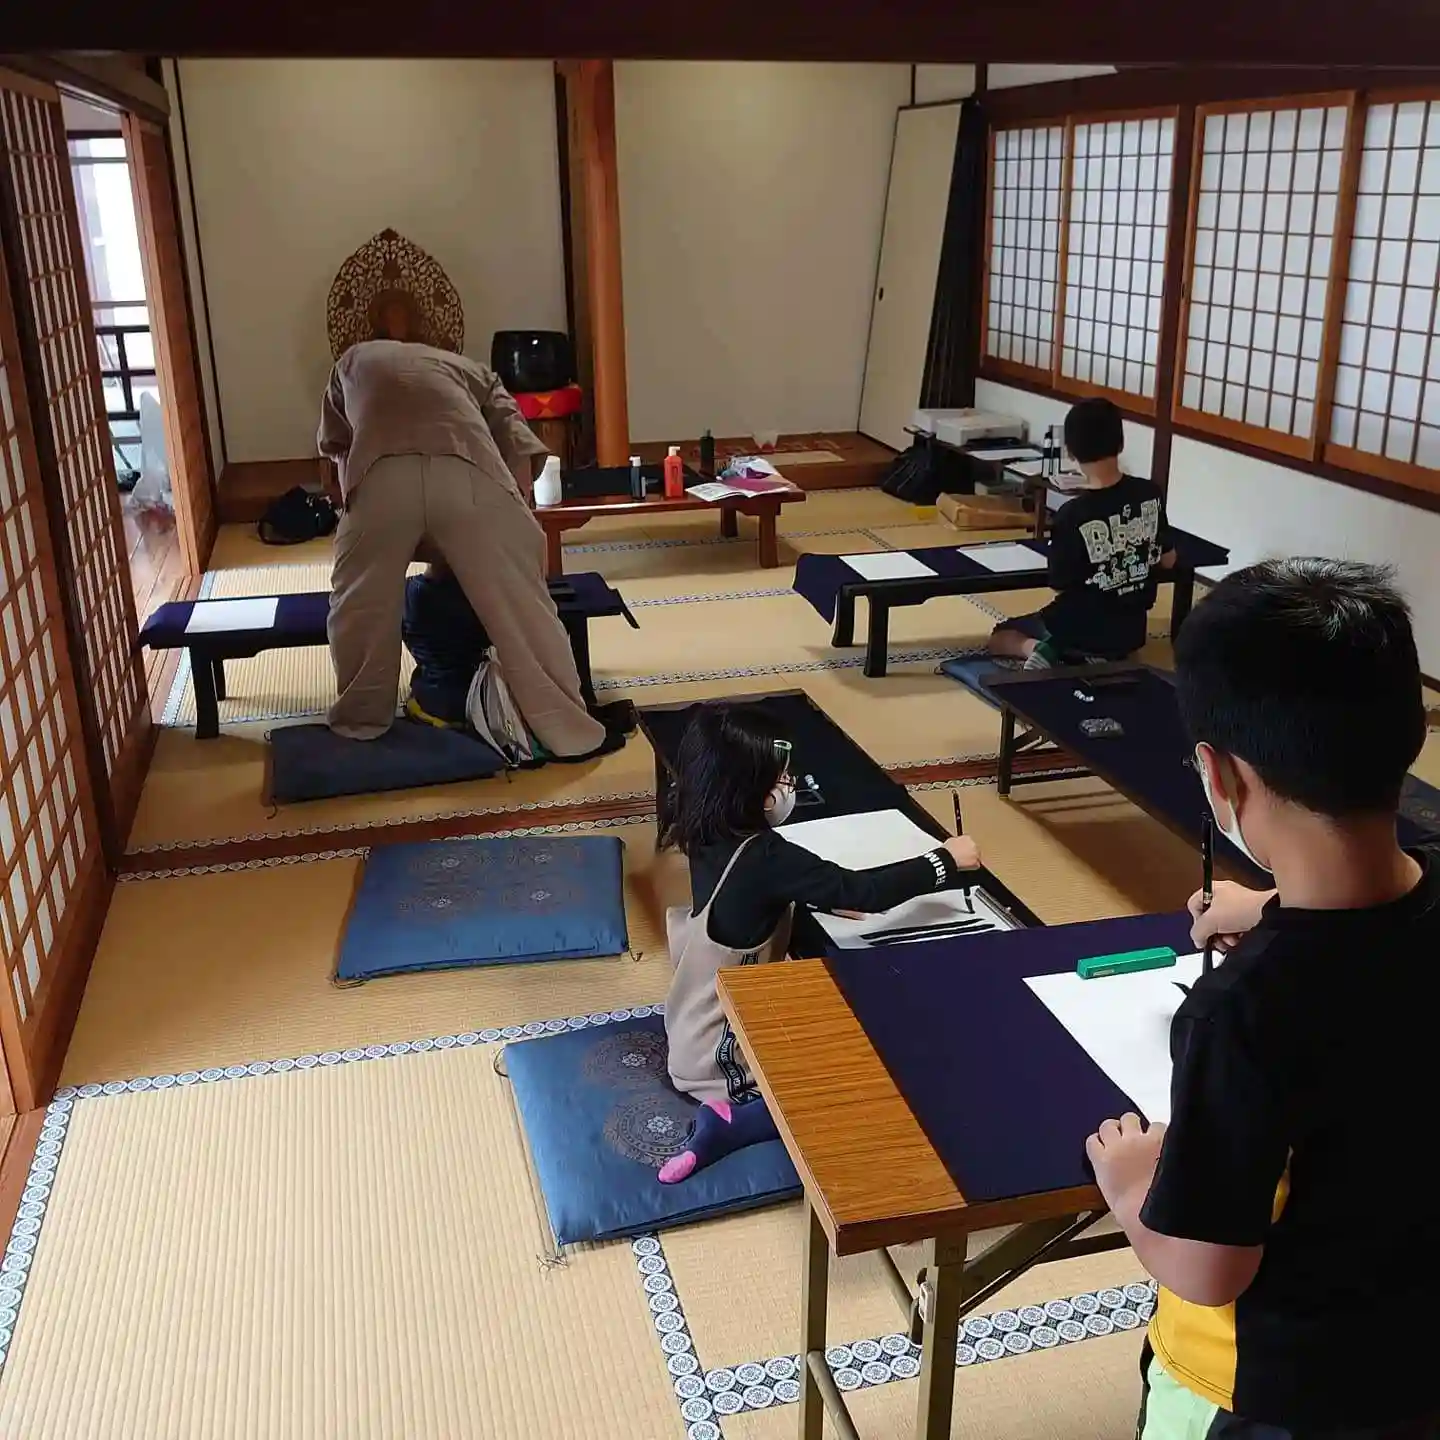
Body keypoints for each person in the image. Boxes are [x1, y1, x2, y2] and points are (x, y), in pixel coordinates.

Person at [1083, 558, 1439, 1439]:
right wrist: (1274, 904)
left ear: (1219, 775)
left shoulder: (1241, 1012)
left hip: (1276, 1394)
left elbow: (1208, 1271)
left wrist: (1130, 1189)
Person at [658, 702, 981, 1183]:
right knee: (868, 1083)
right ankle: (731, 1124)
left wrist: (814, 892)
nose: (789, 785)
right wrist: (946, 860)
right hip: (721, 1057)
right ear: (751, 788)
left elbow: (758, 895)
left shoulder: (706, 826)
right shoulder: (767, 857)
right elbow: (865, 893)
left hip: (690, 1020)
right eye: (781, 777)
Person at [317, 290, 613, 758]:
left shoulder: (352, 360)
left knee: (359, 604)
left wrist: (354, 514)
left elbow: (336, 450)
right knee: (524, 605)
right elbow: (517, 441)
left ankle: (360, 719)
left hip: (380, 474)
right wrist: (515, 519)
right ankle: (566, 725)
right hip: (470, 471)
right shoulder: (465, 367)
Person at [988, 397, 1177, 668]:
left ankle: (1041, 649)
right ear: (1121, 444)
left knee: (1001, 635)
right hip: (1131, 631)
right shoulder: (1149, 493)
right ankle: (1096, 658)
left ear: (1071, 452)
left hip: (1078, 630)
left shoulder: (1072, 514)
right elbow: (1168, 560)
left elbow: (1059, 583)